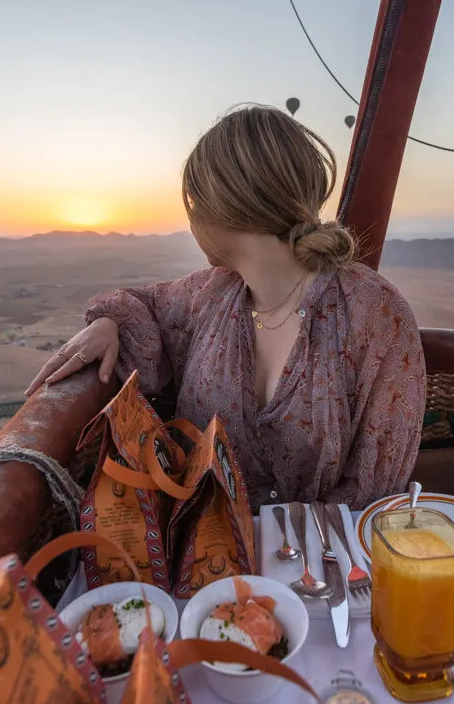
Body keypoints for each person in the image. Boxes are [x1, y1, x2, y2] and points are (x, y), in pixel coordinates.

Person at [26, 104, 426, 513]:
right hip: (204, 563)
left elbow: (377, 491)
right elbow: (141, 303)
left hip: (328, 565)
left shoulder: (375, 313)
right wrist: (107, 321)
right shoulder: (211, 293)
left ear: (222, 208)